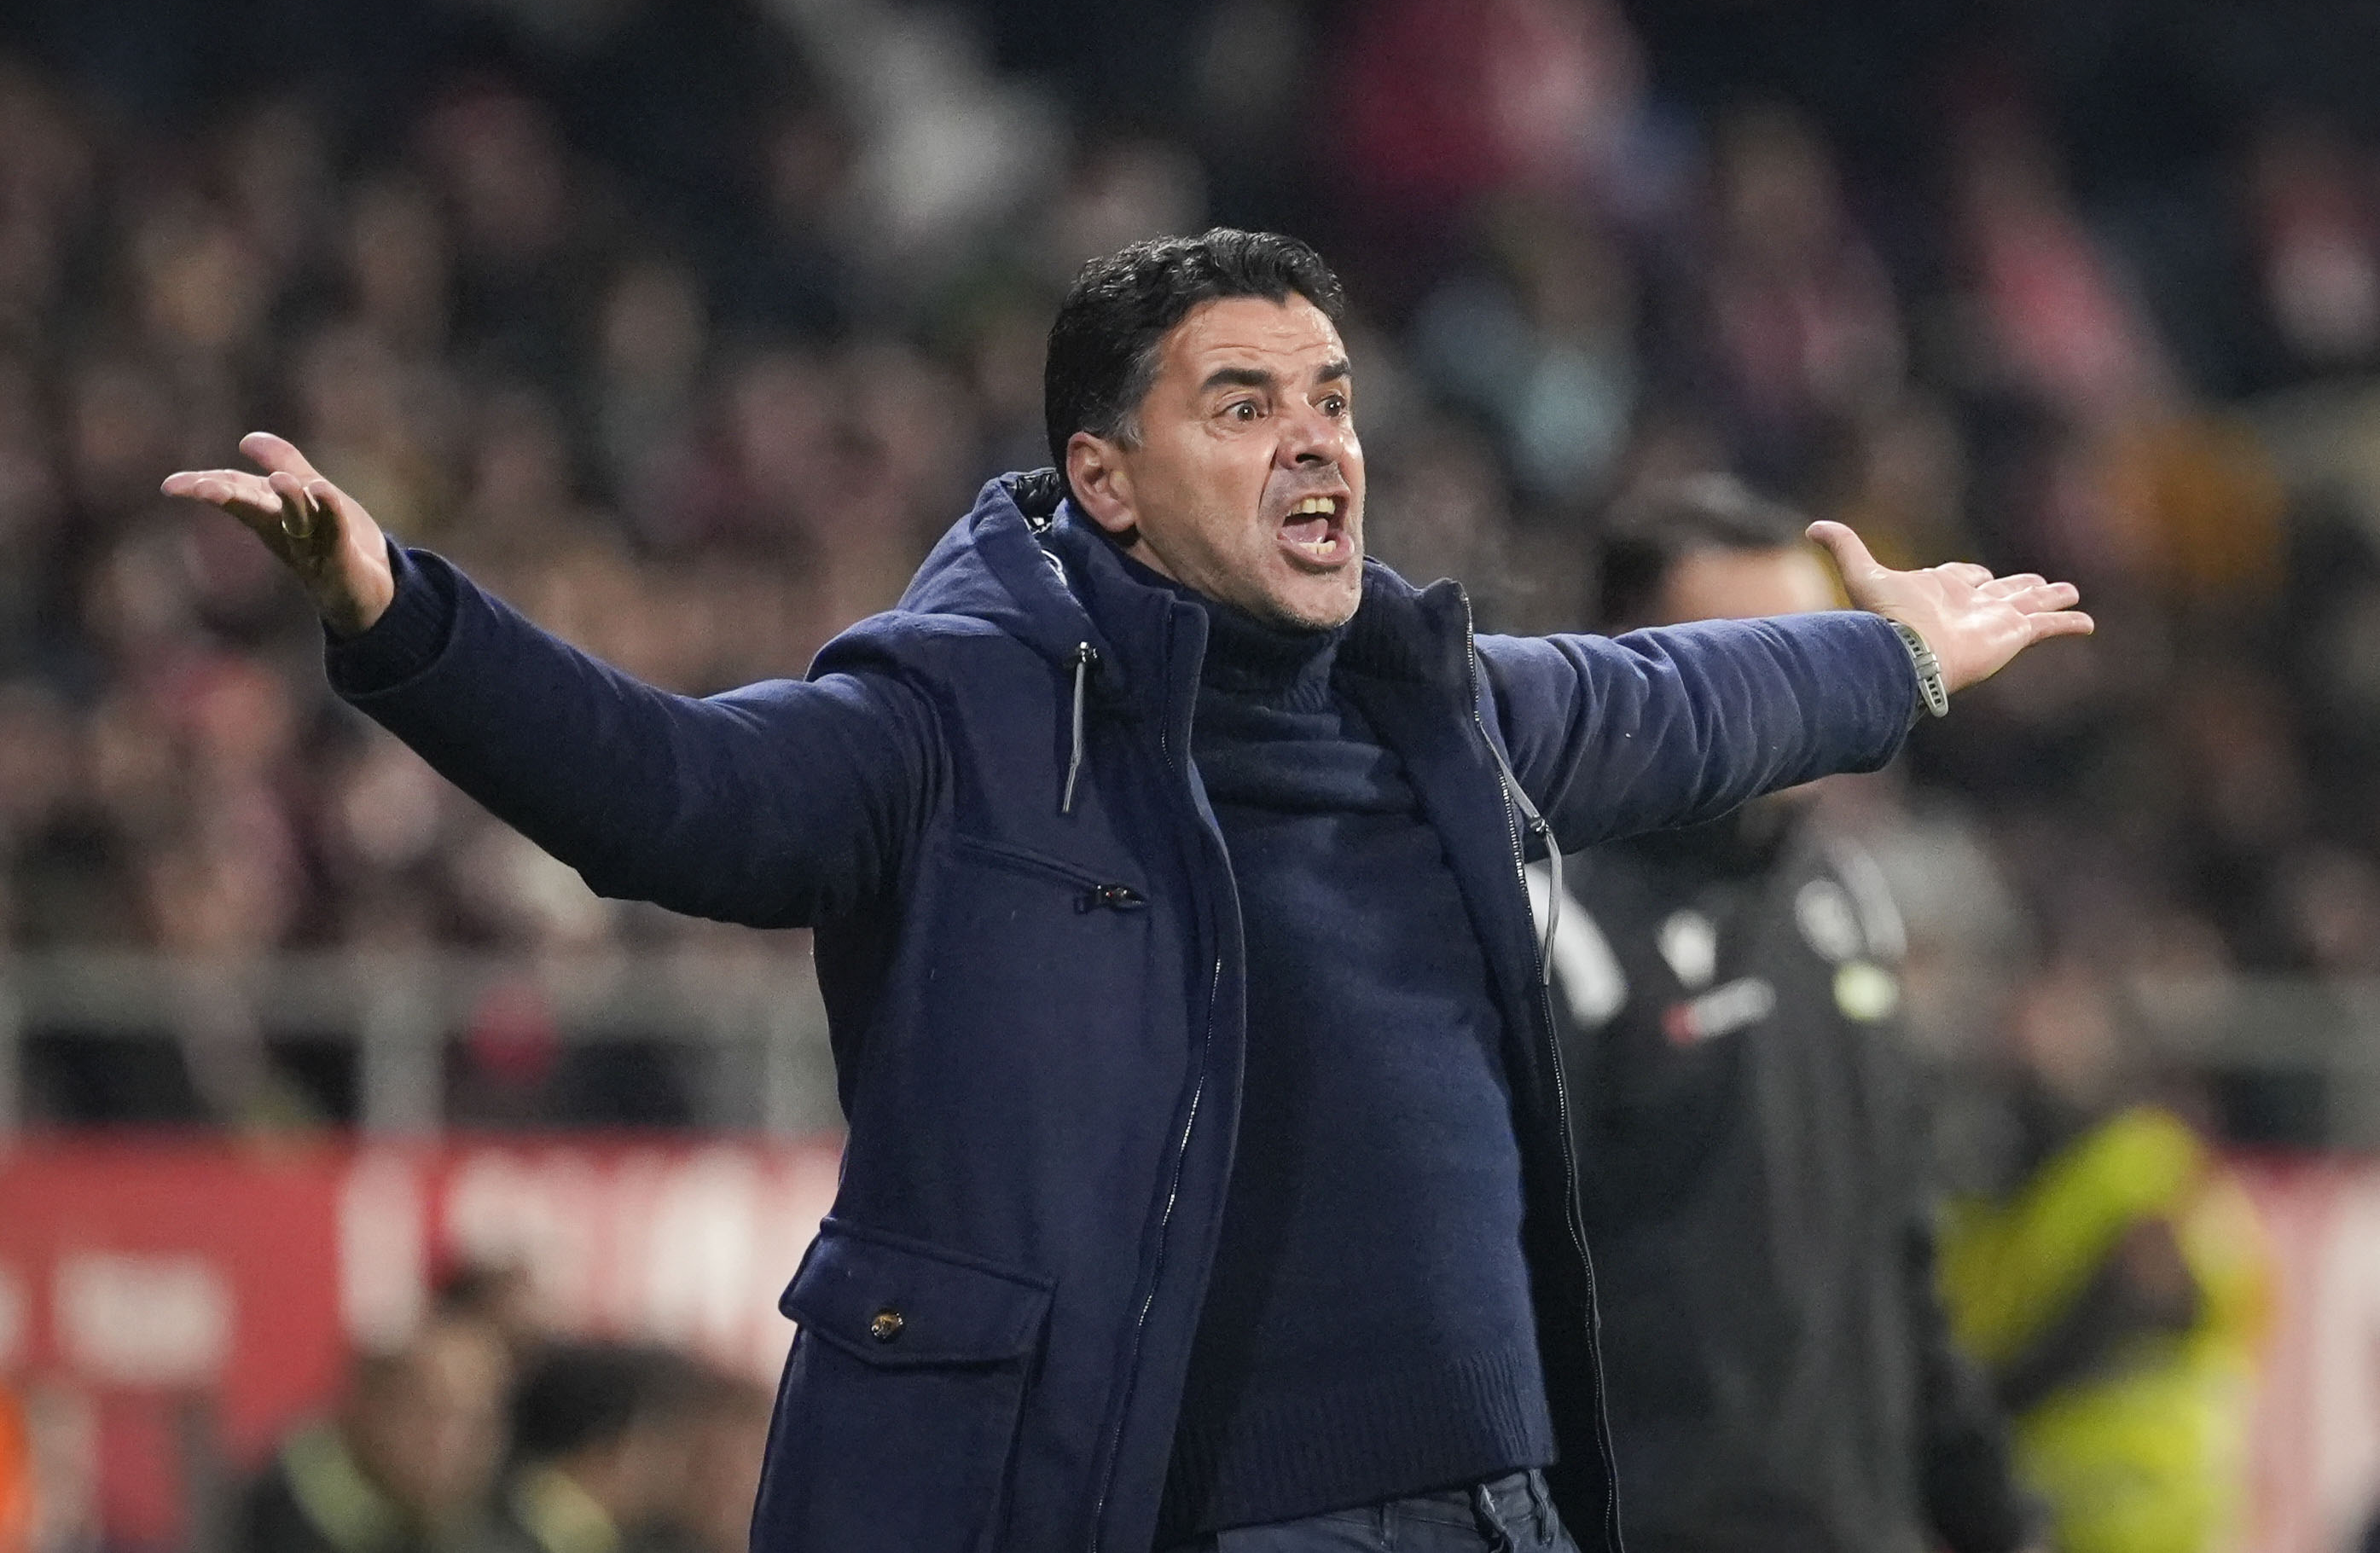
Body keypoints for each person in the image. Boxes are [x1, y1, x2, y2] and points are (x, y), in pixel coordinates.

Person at [164, 229, 2091, 1553]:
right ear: (1102, 475)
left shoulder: (1434, 702)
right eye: (1241, 404)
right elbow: (672, 794)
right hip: (1161, 1501)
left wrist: (1892, 656)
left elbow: (1677, 696)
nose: (1317, 439)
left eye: (1329, 396)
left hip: (1489, 1501)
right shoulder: (954, 712)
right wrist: (406, 616)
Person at [1537, 478, 2038, 1553]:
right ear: (1629, 666)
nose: (1796, 690)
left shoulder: (1840, 901)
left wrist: (1996, 1521)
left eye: (1811, 645)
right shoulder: (1555, 931)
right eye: (1748, 654)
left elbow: (1898, 1264)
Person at [1937, 965, 2269, 1553]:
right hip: (2036, 1500)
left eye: (2056, 1031)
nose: (2029, 1056)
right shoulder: (1986, 1190)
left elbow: (2199, 1303)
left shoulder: (2142, 1166)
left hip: (2146, 1499)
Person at [234, 1317, 512, 1553]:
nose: (449, 1444)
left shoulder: (501, 1526)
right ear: (368, 1408)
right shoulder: (272, 1519)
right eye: (427, 1414)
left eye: (476, 1421)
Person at [468, 1343, 707, 1553]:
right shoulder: (504, 1534)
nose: (674, 1463)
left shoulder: (508, 1514)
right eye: (658, 1438)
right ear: (605, 1445)